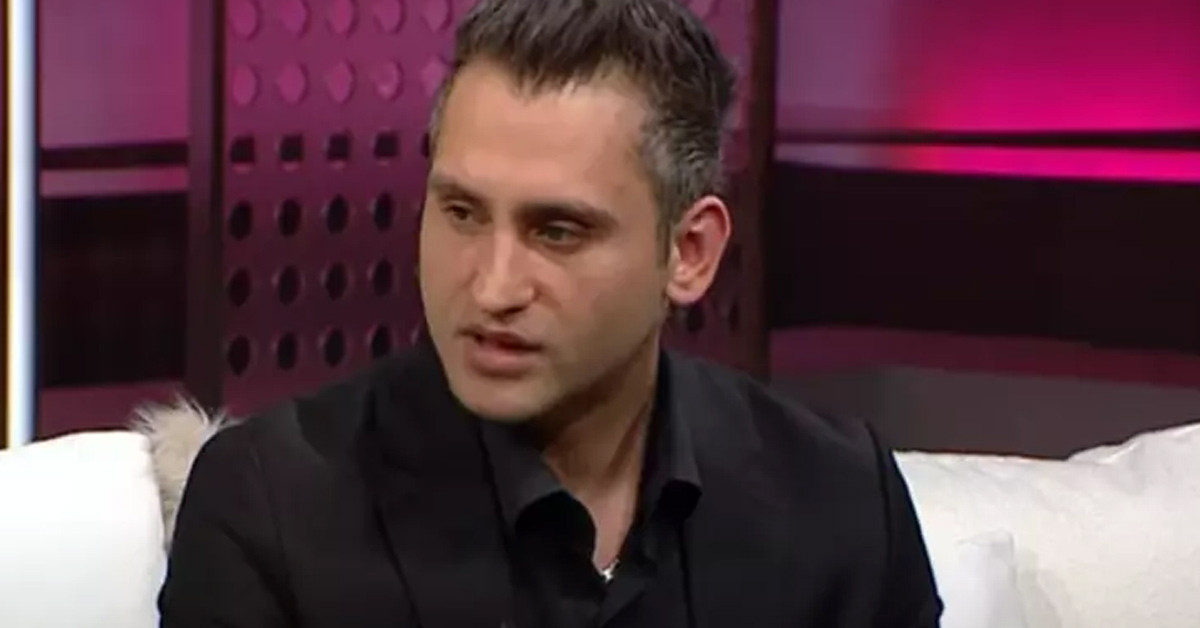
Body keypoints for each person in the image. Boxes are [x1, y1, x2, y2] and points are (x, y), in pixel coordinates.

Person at [159, 0, 942, 626]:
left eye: (557, 231)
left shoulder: (841, 503)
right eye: (462, 213)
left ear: (689, 252)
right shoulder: (272, 507)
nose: (493, 286)